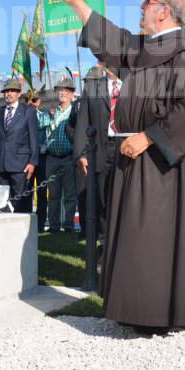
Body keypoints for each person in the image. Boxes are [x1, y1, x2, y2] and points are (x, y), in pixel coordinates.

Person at [54, 0, 185, 333]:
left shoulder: (182, 55)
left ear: (165, 12)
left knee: (152, 235)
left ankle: (154, 313)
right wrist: (75, 1)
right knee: (133, 235)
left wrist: (150, 137)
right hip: (133, 154)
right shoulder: (145, 49)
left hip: (156, 161)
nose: (141, 7)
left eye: (149, 2)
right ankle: (133, 309)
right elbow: (110, 39)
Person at [73, 63, 121, 242]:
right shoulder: (93, 87)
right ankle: (104, 246)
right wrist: (80, 153)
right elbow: (83, 122)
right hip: (102, 148)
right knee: (102, 199)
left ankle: (123, 247)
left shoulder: (133, 84)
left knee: (123, 199)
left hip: (126, 149)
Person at [0, 79, 38, 212]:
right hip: (0, 165)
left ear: (19, 94)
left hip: (20, 164)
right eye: (6, 91)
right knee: (1, 203)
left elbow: (34, 139)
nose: (8, 93)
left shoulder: (29, 111)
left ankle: (22, 230)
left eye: (12, 91)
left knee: (20, 202)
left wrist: (32, 162)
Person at [44, 78, 78, 232]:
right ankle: (54, 225)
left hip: (69, 158)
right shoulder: (50, 111)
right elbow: (37, 123)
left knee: (70, 195)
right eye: (61, 90)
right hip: (52, 158)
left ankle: (69, 225)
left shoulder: (76, 111)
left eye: (67, 90)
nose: (63, 92)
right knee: (53, 196)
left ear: (72, 94)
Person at [27, 89, 48, 225]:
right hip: (27, 158)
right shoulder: (22, 115)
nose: (31, 103)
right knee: (26, 191)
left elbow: (44, 128)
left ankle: (40, 222)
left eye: (34, 101)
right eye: (29, 101)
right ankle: (26, 219)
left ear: (39, 102)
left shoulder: (44, 116)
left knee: (41, 191)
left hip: (41, 157)